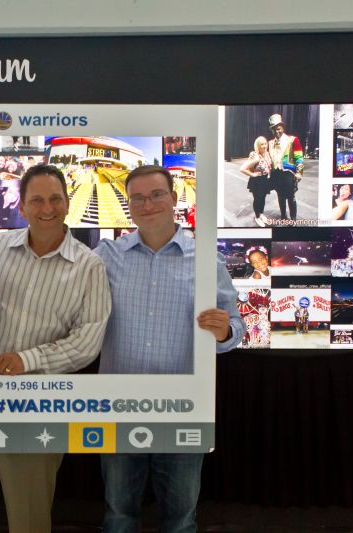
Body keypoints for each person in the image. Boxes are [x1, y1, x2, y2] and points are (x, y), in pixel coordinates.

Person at [0, 164, 111, 533]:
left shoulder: (89, 266)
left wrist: (25, 360)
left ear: (67, 203)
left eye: (54, 199)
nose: (46, 208)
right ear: (22, 207)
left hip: (39, 395)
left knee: (28, 511)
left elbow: (87, 343)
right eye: (36, 200)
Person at [94, 165, 243, 533]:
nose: (148, 204)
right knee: (118, 517)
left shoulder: (206, 259)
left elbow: (237, 328)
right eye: (138, 197)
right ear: (128, 204)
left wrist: (225, 331)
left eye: (157, 194)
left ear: (174, 199)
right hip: (117, 407)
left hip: (183, 410)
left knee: (180, 521)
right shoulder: (106, 255)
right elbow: (64, 298)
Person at [267, 113, 303, 220]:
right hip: (276, 174)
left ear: (282, 127)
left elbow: (299, 157)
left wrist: (299, 172)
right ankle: (283, 216)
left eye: (278, 128)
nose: (276, 131)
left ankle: (293, 219)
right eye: (274, 130)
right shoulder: (270, 143)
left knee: (291, 197)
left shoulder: (292, 140)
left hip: (289, 174)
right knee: (280, 197)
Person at [238, 136, 272, 226]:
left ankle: (261, 214)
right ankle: (257, 217)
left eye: (265, 143)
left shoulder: (267, 154)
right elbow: (242, 168)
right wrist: (253, 174)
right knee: (257, 200)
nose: (264, 146)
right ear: (258, 146)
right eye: (262, 144)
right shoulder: (256, 157)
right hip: (257, 182)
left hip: (265, 180)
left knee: (263, 199)